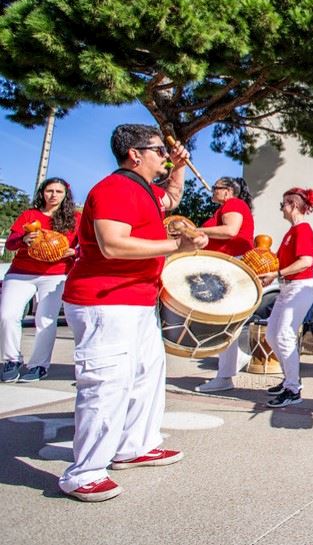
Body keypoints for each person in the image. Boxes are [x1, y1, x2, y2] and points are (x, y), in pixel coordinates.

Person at [58, 124, 207, 503]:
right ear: (135, 154)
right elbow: (112, 244)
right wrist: (177, 244)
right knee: (107, 383)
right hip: (105, 300)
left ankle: (134, 446)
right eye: (159, 151)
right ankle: (85, 472)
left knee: (146, 376)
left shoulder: (144, 190)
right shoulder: (116, 188)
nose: (165, 155)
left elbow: (171, 198)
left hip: (136, 301)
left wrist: (179, 169)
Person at [0, 178, 80, 383]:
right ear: (42, 193)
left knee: (45, 320)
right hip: (21, 273)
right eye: (49, 191)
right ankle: (11, 361)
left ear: (65, 195)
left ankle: (38, 365)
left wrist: (75, 251)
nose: (53, 195)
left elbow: (87, 243)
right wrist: (21, 240)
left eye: (58, 192)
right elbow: (10, 244)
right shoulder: (30, 215)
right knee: (7, 316)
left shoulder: (74, 218)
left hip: (55, 274)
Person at [193, 177, 256, 393]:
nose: (212, 191)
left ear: (228, 191)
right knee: (225, 323)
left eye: (216, 188)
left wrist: (197, 230)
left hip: (228, 267)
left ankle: (226, 375)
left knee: (224, 323)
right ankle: (233, 364)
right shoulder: (226, 207)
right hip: (225, 266)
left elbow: (230, 230)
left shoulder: (234, 204)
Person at [258, 187, 313, 408]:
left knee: (283, 335)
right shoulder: (291, 232)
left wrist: (277, 274)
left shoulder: (303, 230)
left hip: (300, 287)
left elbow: (305, 261)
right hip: (288, 287)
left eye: (283, 204)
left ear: (293, 205)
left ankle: (294, 390)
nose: (281, 208)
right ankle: (289, 380)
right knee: (272, 336)